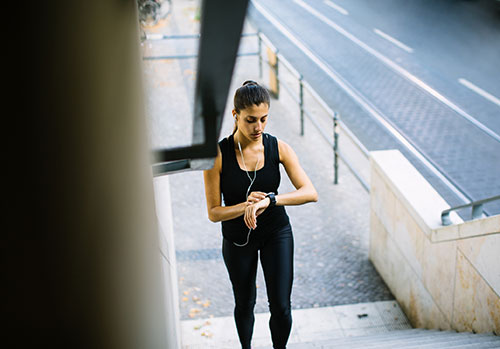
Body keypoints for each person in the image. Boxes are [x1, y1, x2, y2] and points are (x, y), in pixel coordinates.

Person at [203, 80, 318, 349]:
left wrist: (271, 200)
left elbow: (310, 192)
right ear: (235, 115)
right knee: (245, 303)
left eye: (264, 119)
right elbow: (213, 212)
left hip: (276, 232)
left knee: (281, 306)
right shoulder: (218, 155)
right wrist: (246, 205)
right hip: (237, 238)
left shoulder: (278, 148)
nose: (258, 127)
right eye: (250, 120)